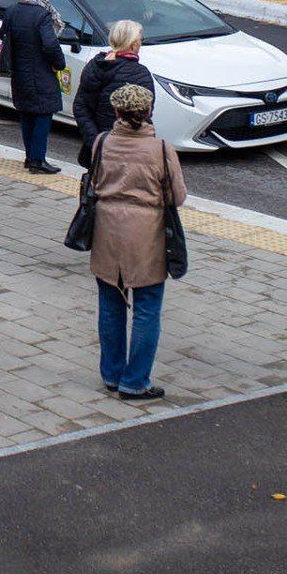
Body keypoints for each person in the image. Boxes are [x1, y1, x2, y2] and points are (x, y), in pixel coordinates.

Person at [89, 82, 187, 401]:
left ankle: (112, 375)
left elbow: (93, 182)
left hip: (106, 232)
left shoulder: (101, 143)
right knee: (146, 308)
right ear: (148, 113)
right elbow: (178, 196)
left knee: (110, 304)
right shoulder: (161, 149)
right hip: (146, 235)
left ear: (115, 112)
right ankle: (136, 381)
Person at [0, 0, 66, 174]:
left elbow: (3, 33)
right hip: (40, 73)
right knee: (43, 116)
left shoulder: (12, 10)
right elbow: (50, 44)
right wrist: (59, 64)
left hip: (19, 73)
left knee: (27, 114)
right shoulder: (42, 14)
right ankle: (38, 161)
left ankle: (30, 157)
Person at [73, 19, 156, 169]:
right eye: (140, 40)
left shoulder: (95, 65)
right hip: (131, 151)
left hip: (98, 150)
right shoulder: (140, 74)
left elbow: (81, 107)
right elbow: (146, 113)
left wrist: (96, 142)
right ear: (133, 44)